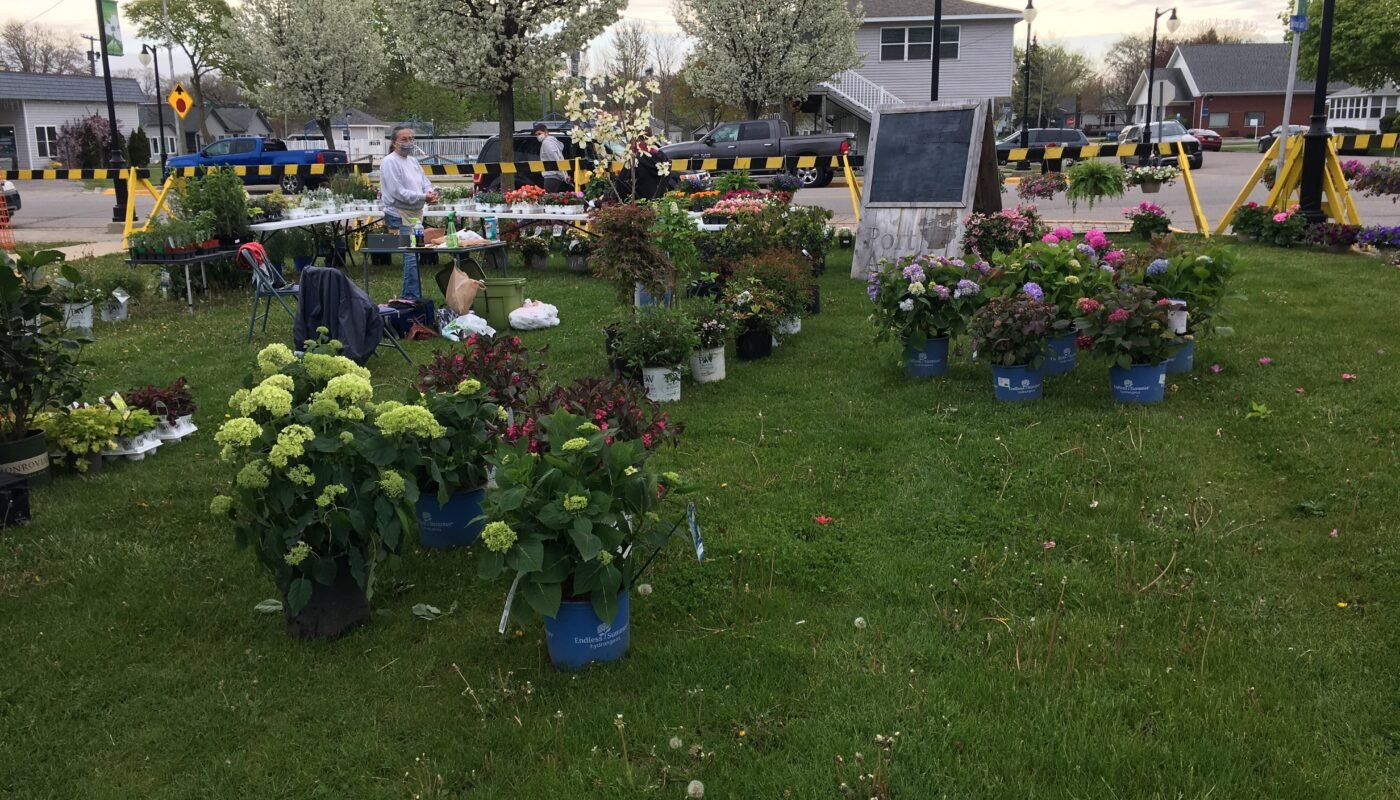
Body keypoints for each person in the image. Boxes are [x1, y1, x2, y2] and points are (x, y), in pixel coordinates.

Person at [380, 125, 438, 300]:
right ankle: (410, 297)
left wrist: (431, 192)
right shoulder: (390, 161)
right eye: (404, 139)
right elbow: (398, 192)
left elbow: (425, 181)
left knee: (415, 254)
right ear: (394, 142)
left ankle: (413, 295)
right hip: (399, 213)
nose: (408, 143)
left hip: (415, 213)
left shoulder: (413, 161)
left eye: (411, 139)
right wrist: (423, 197)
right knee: (411, 256)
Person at [534, 123, 571, 192]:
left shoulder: (546, 143)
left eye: (539, 133)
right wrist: (565, 175)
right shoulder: (552, 142)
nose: (538, 136)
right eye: (536, 135)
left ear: (546, 132)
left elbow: (555, 160)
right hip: (557, 177)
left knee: (549, 200)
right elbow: (560, 159)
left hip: (551, 177)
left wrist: (564, 176)